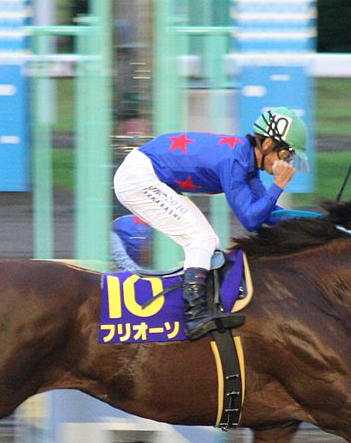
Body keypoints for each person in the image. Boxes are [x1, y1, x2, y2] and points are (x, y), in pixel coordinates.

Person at [113, 106, 308, 340]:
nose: (288, 162)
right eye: (286, 154)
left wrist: (313, 221)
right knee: (202, 239)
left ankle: (200, 307)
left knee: (206, 240)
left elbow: (267, 213)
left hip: (147, 174)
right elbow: (251, 219)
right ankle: (194, 316)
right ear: (267, 144)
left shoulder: (245, 163)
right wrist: (278, 185)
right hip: (138, 178)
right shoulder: (234, 160)